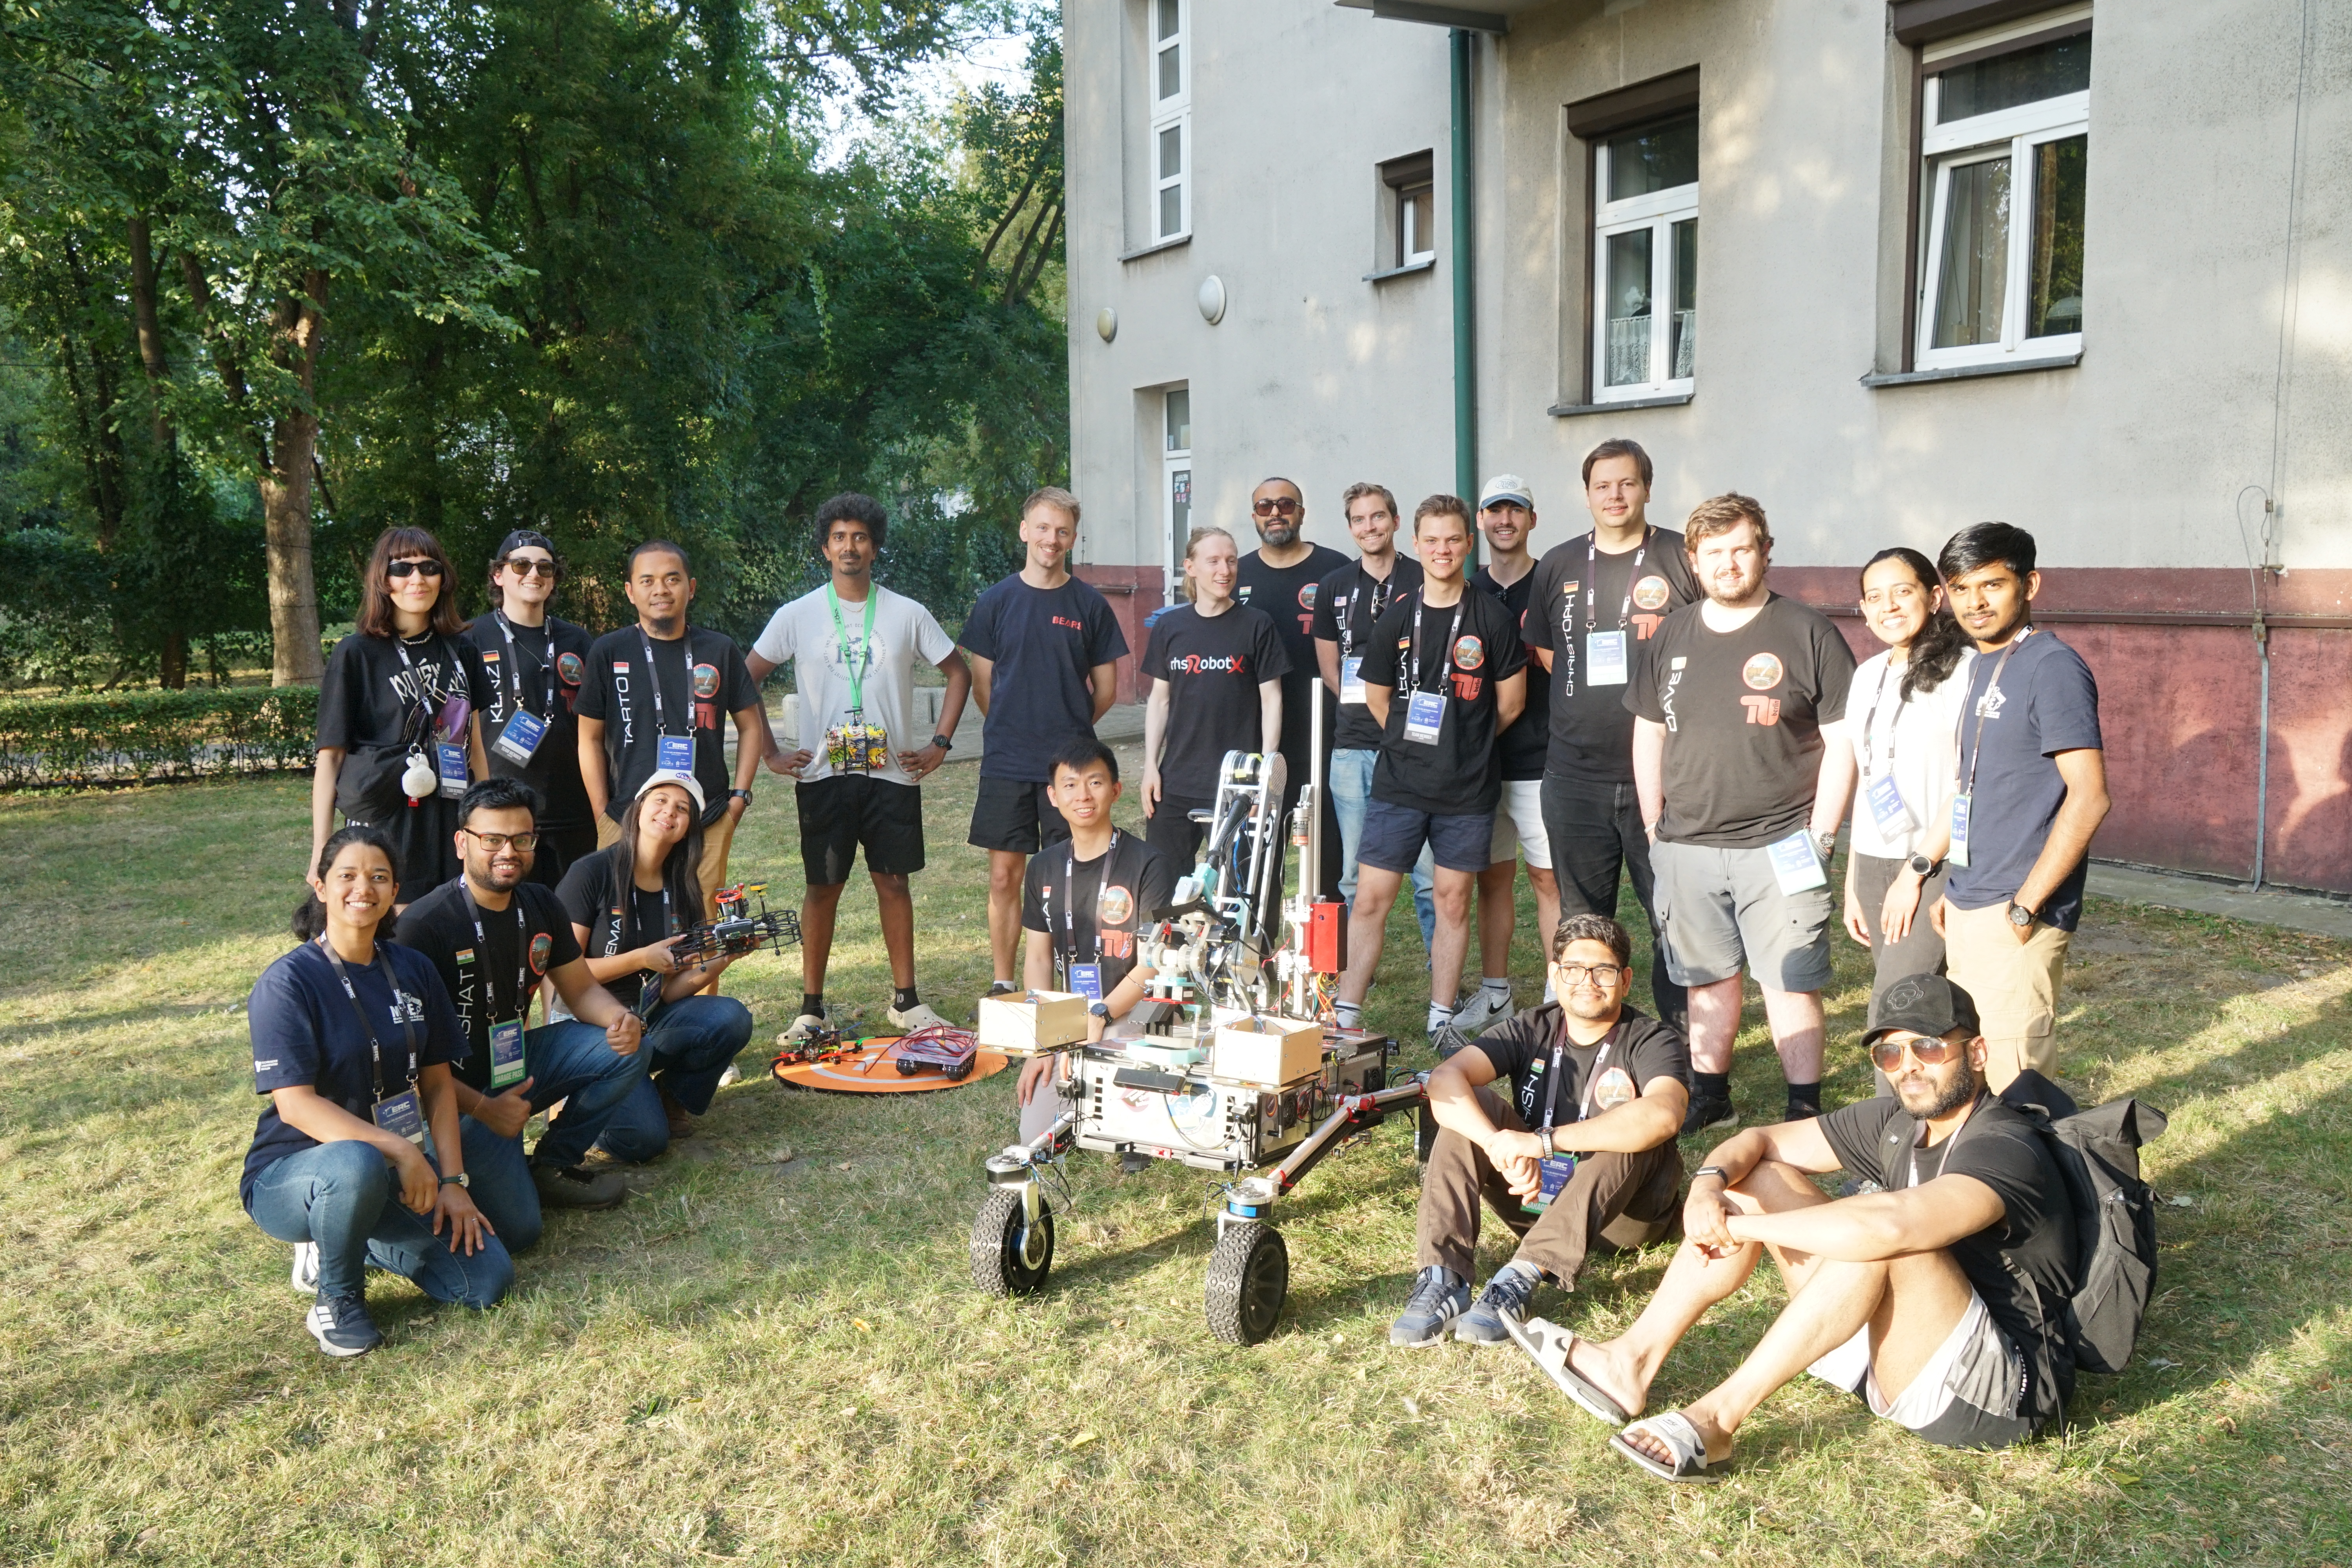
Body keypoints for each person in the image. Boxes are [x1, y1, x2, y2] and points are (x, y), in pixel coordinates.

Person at [1512, 975, 2078, 1477]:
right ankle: (1627, 1363)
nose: (1908, 1067)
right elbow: (1758, 1141)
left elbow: (1895, 1227)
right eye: (1889, 1054)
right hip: (1893, 1349)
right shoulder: (1896, 1121)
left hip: (1992, 1392)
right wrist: (1709, 1187)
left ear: (1976, 1053)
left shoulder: (2005, 1146)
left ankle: (1716, 1420)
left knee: (1879, 1235)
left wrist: (1753, 1231)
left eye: (1928, 1047)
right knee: (1756, 1179)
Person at [1629, 494, 1856, 1134]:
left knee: (1790, 980)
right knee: (1708, 979)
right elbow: (1650, 732)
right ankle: (1711, 1096)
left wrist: (1824, 835)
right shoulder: (1672, 632)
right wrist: (1653, 826)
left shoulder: (1808, 633)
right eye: (1715, 553)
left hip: (1783, 842)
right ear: (1695, 563)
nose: (1729, 564)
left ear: (1764, 551)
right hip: (1687, 843)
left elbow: (1844, 740)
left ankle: (1804, 1109)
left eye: (1741, 549)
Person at [243, 826, 510, 1357]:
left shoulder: (412, 969)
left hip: (390, 1168)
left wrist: (453, 1181)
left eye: (378, 877)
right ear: (320, 886)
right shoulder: (288, 983)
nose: (362, 887)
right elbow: (294, 1105)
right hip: (298, 1172)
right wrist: (402, 1149)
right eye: (347, 875)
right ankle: (336, 1300)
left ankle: (351, 1242)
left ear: (393, 893)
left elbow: (436, 1085)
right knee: (356, 1164)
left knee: (486, 1282)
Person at [1391, 915, 1689, 1348]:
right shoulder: (1533, 1026)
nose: (1587, 980)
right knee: (1468, 1111)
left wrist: (1540, 1142)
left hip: (1623, 1217)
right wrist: (1496, 1143)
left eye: (1603, 970)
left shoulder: (1651, 1039)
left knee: (1631, 1129)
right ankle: (1444, 1278)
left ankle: (1519, 1279)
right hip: (1537, 1198)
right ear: (1555, 974)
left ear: (1624, 979)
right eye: (1573, 968)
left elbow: (1665, 1114)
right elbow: (1444, 1081)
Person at [749, 492, 973, 1041]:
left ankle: (907, 1002)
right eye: (840, 538)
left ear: (875, 548)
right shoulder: (797, 615)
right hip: (824, 774)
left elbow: (958, 673)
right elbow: (745, 677)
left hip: (891, 774)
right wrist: (772, 753)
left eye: (861, 538)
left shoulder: (906, 612)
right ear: (826, 547)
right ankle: (811, 1007)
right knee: (822, 886)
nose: (850, 547)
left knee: (893, 882)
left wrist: (940, 743)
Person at [394, 778, 650, 1236]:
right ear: (462, 843)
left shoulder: (540, 903)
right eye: (491, 839)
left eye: (522, 839)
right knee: (520, 1231)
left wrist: (620, 1018)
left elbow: (580, 989)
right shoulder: (422, 927)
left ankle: (553, 1164)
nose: (507, 851)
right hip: (451, 1098)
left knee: (624, 1048)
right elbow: (407, 1068)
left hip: (516, 1066)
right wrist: (484, 1108)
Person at [1336, 495, 1527, 1053]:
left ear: (1469, 544)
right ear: (1416, 545)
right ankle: (1347, 1012)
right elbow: (1375, 693)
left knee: (1452, 901)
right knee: (1371, 897)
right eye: (1433, 540)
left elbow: (1511, 703)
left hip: (1467, 788)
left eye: (1453, 539)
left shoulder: (1490, 615)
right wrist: (1407, 741)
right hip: (1400, 784)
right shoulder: (1398, 611)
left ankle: (1440, 1016)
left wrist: (1464, 745)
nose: (1443, 550)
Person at [1523, 439, 1700, 1034]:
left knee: (1672, 917)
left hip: (1667, 777)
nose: (1615, 496)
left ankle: (1683, 1050)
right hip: (1574, 776)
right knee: (1584, 920)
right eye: (1603, 486)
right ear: (1588, 494)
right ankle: (1588, 1036)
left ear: (1647, 488)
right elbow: (1550, 652)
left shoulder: (1682, 557)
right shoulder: (1559, 563)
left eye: (1627, 483)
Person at [1932, 524, 2109, 1090]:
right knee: (1975, 1071)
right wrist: (1951, 887)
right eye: (1960, 589)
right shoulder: (1983, 662)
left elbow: (2089, 796)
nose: (1975, 602)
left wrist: (2026, 905)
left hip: (2014, 911)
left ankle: (2036, 1179)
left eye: (1992, 585)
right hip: (1970, 898)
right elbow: (1982, 784)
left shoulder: (2052, 667)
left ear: (2029, 584)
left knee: (2017, 1083)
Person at [961, 487, 1129, 994]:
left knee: (1073, 879)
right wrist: (1017, 725)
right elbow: (982, 686)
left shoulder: (1089, 605)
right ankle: (1004, 982)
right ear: (1023, 530)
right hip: (1007, 761)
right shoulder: (995, 602)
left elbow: (1105, 691)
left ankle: (1067, 981)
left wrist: (1068, 725)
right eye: (1042, 528)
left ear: (1074, 538)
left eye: (1061, 531)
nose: (1051, 540)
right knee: (1003, 879)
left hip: (1071, 768)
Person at [555, 772, 757, 1158]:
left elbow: (670, 988)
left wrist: (724, 956)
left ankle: (669, 1096)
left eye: (683, 809)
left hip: (647, 1018)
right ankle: (578, 1099)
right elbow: (564, 971)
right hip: (588, 1026)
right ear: (639, 808)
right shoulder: (591, 872)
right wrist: (640, 958)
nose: (669, 812)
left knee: (731, 1017)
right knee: (644, 1142)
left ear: (689, 830)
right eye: (660, 800)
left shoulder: (683, 886)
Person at [575, 539, 765, 947]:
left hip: (707, 816)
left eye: (672, 579)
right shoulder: (609, 651)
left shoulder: (719, 649)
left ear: (691, 588)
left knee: (703, 928)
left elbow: (752, 727)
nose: (660, 589)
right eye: (648, 580)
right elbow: (588, 738)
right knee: (618, 926)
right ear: (630, 591)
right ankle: (618, 1011)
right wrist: (601, 812)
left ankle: (698, 1011)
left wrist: (738, 800)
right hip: (626, 816)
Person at [312, 527, 489, 907]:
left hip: (450, 814)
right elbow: (331, 757)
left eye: (429, 567)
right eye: (402, 568)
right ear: (382, 577)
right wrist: (321, 852)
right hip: (387, 816)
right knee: (396, 931)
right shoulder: (356, 653)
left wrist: (486, 818)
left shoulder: (463, 649)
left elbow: (474, 744)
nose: (417, 578)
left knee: (452, 926)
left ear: (443, 578)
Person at [1014, 739, 1178, 1146]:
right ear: (1053, 796)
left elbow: (1153, 963)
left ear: (1116, 790)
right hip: (1072, 1017)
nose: (1083, 796)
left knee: (1126, 1126)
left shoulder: (1149, 864)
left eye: (1095, 782)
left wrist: (1102, 1014)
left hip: (1134, 1010)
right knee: (1036, 1135)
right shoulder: (1043, 867)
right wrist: (1041, 1044)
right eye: (1069, 785)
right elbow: (1037, 956)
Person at [1842, 549, 1974, 1035]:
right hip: (1875, 862)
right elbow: (1867, 774)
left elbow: (1968, 783)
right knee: (1919, 1004)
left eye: (1903, 592)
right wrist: (1854, 882)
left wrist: (1914, 874)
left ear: (1934, 596)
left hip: (1931, 862)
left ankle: (1891, 1112)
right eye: (1875, 597)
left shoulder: (1964, 670)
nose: (1889, 606)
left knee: (1893, 1008)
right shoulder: (1867, 674)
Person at [1313, 482, 1435, 952]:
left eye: (1378, 516)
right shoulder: (1335, 587)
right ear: (1351, 528)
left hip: (1416, 745)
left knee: (1427, 874)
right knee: (1353, 875)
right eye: (1360, 519)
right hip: (1353, 746)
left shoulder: (1422, 578)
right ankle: (1348, 979)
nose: (1370, 526)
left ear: (1396, 522)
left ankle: (1438, 974)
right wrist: (1366, 704)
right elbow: (1329, 667)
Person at [1457, 474, 1557, 1038]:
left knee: (1548, 881)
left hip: (1540, 760)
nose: (1504, 520)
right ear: (1481, 523)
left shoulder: (1551, 583)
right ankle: (1495, 993)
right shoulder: (1467, 590)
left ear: (1531, 520)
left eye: (1515, 511)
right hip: (1481, 766)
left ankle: (1555, 994)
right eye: (1494, 510)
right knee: (1492, 880)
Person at [1142, 526, 1288, 865]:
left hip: (1236, 784)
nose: (1225, 570)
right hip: (1174, 782)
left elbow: (1272, 700)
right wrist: (1151, 766)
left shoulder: (1257, 625)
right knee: (1163, 890)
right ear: (1190, 567)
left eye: (1232, 561)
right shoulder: (1170, 626)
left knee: (1237, 893)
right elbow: (1160, 700)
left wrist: (1264, 776)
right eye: (1214, 561)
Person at [1234, 476, 1349, 900]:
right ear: (1254, 517)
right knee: (1256, 855)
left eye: (1286, 504)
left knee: (1329, 855)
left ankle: (1335, 964)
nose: (1276, 512)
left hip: (1326, 731)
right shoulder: (1237, 573)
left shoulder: (1336, 569)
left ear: (1302, 512)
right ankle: (1255, 955)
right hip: (1258, 737)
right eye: (1265, 506)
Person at [466, 530, 599, 889]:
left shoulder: (578, 641)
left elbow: (601, 727)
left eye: (545, 567)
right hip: (504, 814)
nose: (533, 574)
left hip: (574, 810)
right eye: (521, 564)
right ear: (499, 575)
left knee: (574, 923)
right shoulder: (470, 638)